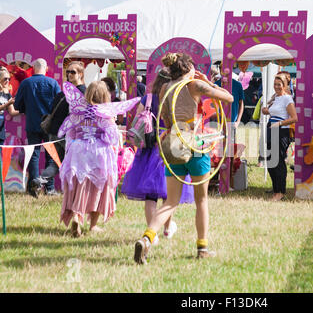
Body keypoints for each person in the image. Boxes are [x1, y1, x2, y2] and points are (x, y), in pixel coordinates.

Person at [133, 52, 233, 264]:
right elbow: (228, 97)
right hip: (195, 144)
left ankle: (147, 238)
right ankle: (202, 248)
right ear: (188, 68)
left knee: (170, 201)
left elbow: (166, 117)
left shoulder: (164, 88)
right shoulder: (195, 85)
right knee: (202, 200)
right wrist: (206, 81)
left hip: (172, 143)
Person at [121, 67, 194, 243]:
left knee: (150, 196)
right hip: (169, 148)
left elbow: (136, 121)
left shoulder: (148, 98)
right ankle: (167, 228)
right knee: (169, 195)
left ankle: (151, 232)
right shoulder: (176, 97)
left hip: (148, 150)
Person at [58, 81, 139, 237]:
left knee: (79, 186)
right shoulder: (105, 114)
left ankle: (76, 216)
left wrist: (73, 148)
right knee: (99, 187)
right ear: (105, 96)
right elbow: (112, 138)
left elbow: (70, 134)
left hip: (78, 151)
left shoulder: (77, 113)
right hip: (99, 153)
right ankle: (93, 225)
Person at [31, 61, 87, 192]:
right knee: (75, 162)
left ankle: (40, 180)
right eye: (68, 72)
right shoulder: (83, 93)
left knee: (58, 162)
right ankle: (74, 191)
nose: (69, 74)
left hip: (54, 133)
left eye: (72, 72)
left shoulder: (64, 93)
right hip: (67, 134)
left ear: (80, 74)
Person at [13, 58, 61, 197]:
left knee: (33, 155)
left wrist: (26, 109)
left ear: (33, 68)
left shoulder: (26, 83)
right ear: (46, 69)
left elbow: (17, 105)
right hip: (49, 126)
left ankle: (33, 188)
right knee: (51, 156)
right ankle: (50, 188)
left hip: (32, 124)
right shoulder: (52, 83)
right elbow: (59, 104)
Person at [261, 74, 297, 202]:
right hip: (271, 129)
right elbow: (276, 112)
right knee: (270, 161)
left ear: (284, 85)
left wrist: (280, 123)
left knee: (278, 162)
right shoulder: (276, 97)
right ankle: (276, 189)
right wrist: (267, 111)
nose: (276, 87)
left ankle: (280, 192)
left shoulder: (287, 99)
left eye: (279, 85)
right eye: (275, 84)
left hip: (281, 131)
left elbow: (294, 118)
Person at [0, 69, 20, 146]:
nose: (8, 81)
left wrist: (24, 110)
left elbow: (12, 112)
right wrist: (7, 104)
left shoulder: (7, 94)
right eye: (5, 79)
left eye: (9, 79)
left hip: (1, 131)